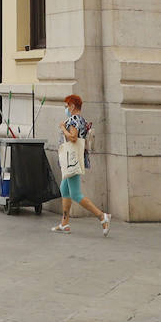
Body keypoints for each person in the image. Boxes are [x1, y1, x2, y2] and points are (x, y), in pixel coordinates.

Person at [52, 94, 110, 235]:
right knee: (64, 189)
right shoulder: (81, 119)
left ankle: (102, 216)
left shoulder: (73, 120)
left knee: (76, 194)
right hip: (75, 159)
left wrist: (62, 128)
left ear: (72, 106)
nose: (66, 109)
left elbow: (73, 137)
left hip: (72, 160)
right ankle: (64, 224)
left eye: (66, 106)